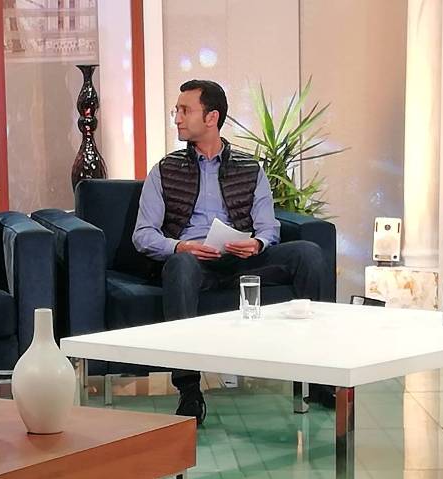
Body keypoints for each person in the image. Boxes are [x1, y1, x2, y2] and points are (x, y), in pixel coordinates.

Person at [132, 79, 325, 424]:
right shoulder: (164, 170)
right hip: (195, 264)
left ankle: (321, 377)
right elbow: (143, 234)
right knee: (180, 266)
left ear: (212, 117)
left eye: (185, 110)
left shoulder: (250, 169)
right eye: (176, 110)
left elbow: (269, 227)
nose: (177, 118)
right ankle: (189, 389)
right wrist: (181, 246)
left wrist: (257, 243)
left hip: (242, 260)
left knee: (308, 253)